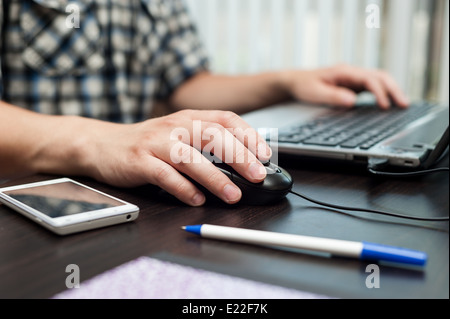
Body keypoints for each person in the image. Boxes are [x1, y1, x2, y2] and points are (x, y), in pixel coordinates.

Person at [0, 0, 409, 206]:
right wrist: (98, 141)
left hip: (138, 196)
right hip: (33, 200)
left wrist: (287, 82)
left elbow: (187, 83)